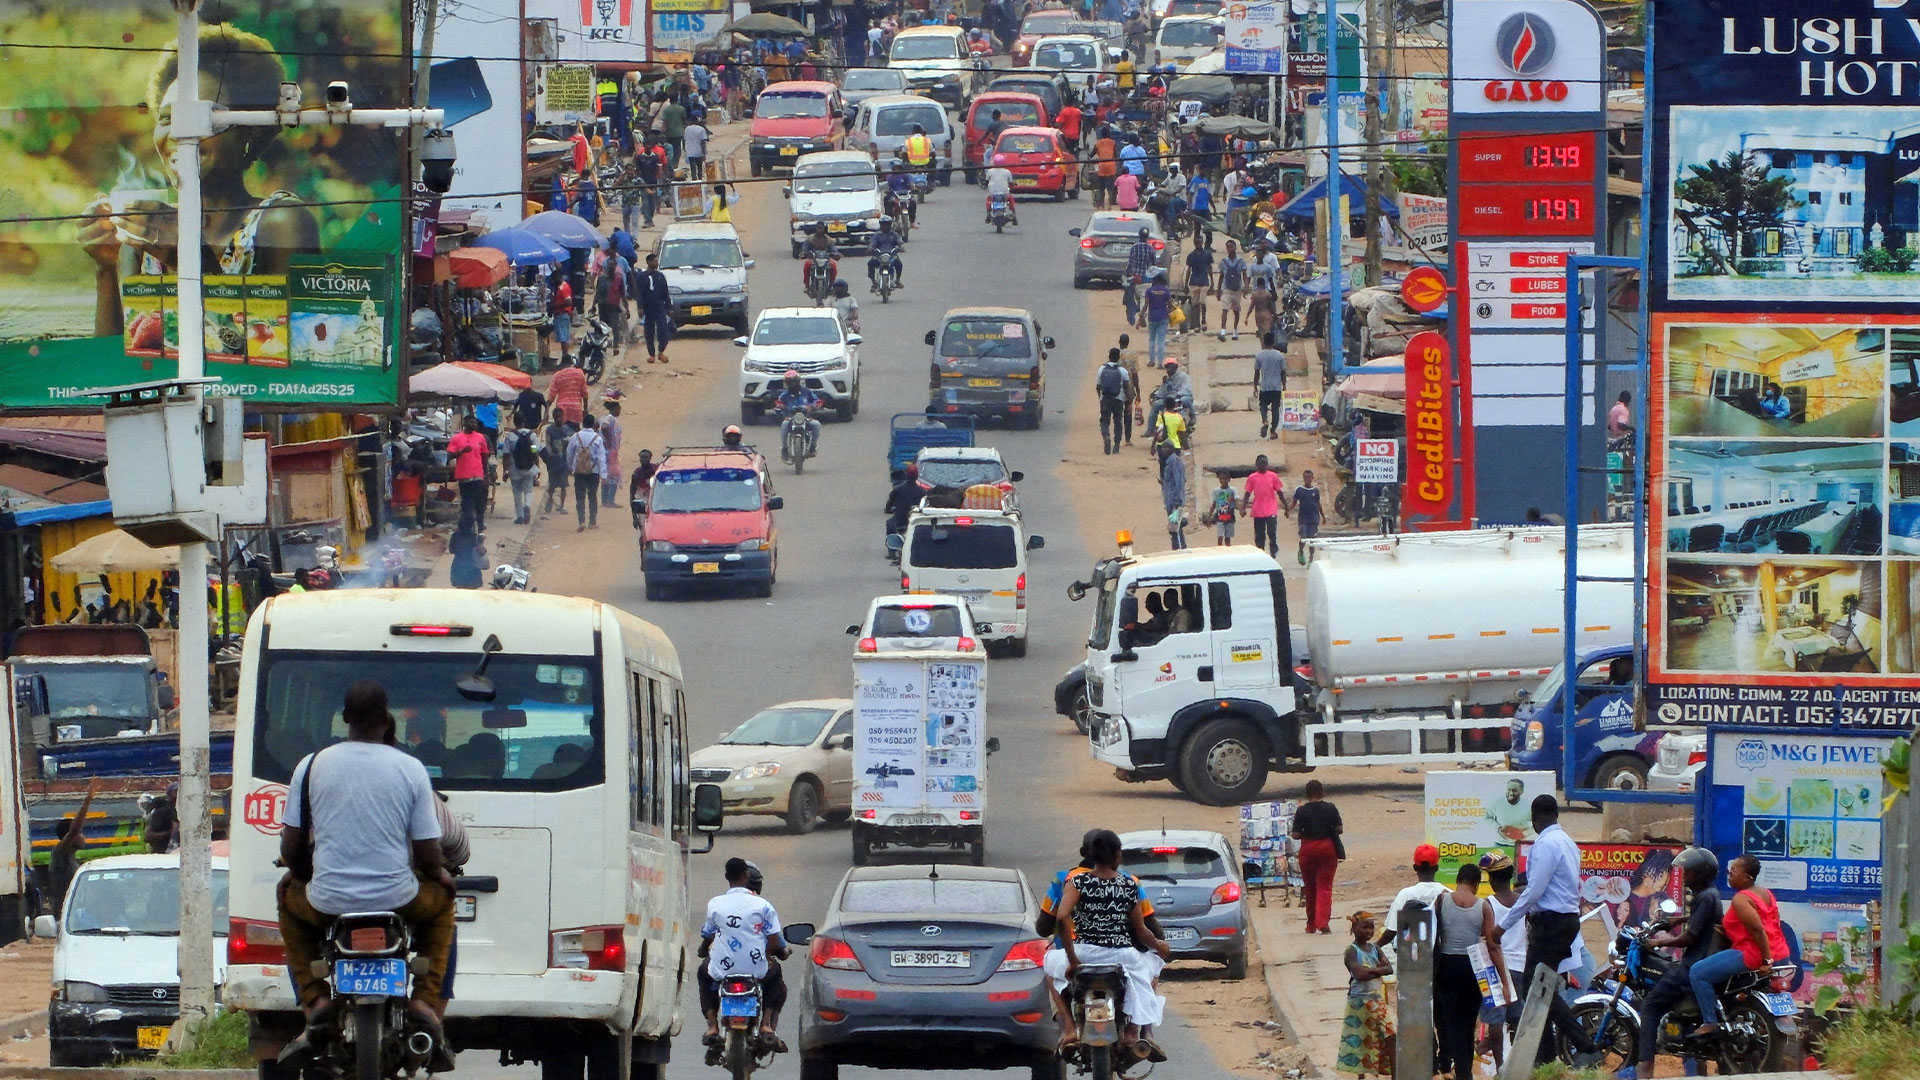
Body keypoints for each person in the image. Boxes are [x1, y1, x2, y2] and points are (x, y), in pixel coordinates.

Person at [277, 681, 455, 1065]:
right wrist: (440, 876)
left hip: (327, 902)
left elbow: (290, 849)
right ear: (386, 719)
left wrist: (303, 877)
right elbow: (427, 852)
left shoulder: (310, 767)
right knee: (442, 909)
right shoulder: (409, 768)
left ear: (345, 720)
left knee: (288, 904)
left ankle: (315, 999)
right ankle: (424, 1002)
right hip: (400, 900)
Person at [1491, 795, 1604, 1066]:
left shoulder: (1545, 845)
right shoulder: (1567, 842)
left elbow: (1534, 891)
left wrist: (1503, 927)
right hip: (1564, 922)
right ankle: (1546, 1053)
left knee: (1536, 989)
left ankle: (1584, 1045)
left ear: (1534, 816)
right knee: (1542, 987)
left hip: (1551, 924)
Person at [1047, 830, 1170, 1062]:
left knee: (1049, 971)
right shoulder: (1128, 885)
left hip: (1085, 954)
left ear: (1091, 855)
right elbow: (1142, 932)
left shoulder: (1077, 882)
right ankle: (1134, 1032)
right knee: (1150, 970)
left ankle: (1070, 1029)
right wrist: (1159, 945)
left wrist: (1073, 961)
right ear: (1117, 855)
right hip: (1122, 956)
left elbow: (1062, 916)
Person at [1618, 848, 1723, 1080]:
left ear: (1702, 873)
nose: (1684, 876)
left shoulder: (1704, 897)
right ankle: (1697, 1070)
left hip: (1693, 964)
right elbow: (1700, 921)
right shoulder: (1710, 894)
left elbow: (1690, 938)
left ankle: (1644, 1068)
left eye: (1689, 872)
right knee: (1682, 1011)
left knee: (1651, 1005)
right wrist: (1676, 920)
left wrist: (1655, 943)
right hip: (1702, 961)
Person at [1689, 853, 1789, 1038]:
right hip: (1781, 951)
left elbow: (1757, 929)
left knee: (1697, 972)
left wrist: (1767, 959)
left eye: (1733, 872)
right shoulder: (1765, 893)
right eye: (1729, 872)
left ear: (1747, 877)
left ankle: (1710, 1022)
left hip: (1753, 954)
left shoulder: (1741, 899)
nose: (1729, 876)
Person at [698, 857, 790, 1053]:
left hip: (722, 969)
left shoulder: (715, 904)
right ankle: (765, 1024)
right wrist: (767, 954)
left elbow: (707, 934)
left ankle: (712, 1026)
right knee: (776, 974)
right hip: (756, 969)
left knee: (703, 973)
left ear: (726, 877)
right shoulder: (763, 905)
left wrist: (704, 949)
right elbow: (775, 941)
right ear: (746, 876)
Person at [1436, 863, 1510, 1080]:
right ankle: (1464, 1071)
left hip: (1446, 968)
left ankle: (1457, 1069)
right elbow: (1493, 946)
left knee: (1452, 1021)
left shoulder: (1441, 900)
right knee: (1468, 1023)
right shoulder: (1483, 907)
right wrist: (1505, 983)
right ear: (1477, 884)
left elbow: (1430, 936)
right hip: (1472, 970)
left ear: (1458, 880)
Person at [1478, 851, 1528, 1061]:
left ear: (1491, 879)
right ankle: (1518, 1063)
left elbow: (1487, 940)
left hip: (1494, 968)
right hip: (1521, 965)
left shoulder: (1487, 904)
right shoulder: (1523, 901)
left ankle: (1500, 1065)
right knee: (1518, 1019)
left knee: (1495, 1020)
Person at [1337, 911, 1393, 1078]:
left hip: (1376, 1001)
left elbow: (1389, 969)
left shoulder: (1375, 948)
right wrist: (1378, 969)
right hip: (1359, 1002)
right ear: (1354, 928)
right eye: (1365, 927)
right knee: (1359, 1040)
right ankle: (1361, 1075)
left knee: (1390, 1037)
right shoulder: (1351, 951)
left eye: (1371, 928)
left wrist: (1370, 970)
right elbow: (1359, 975)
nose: (1369, 932)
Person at [1291, 779, 1342, 933]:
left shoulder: (1301, 811)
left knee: (1310, 887)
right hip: (1327, 848)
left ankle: (1311, 924)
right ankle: (1322, 922)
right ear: (1322, 792)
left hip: (1307, 849)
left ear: (1307, 794)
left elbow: (1295, 834)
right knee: (1324, 886)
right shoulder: (1331, 808)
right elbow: (1339, 829)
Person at [1379, 843, 1449, 948]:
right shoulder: (1449, 894)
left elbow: (1391, 931)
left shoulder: (1405, 895)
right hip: (1442, 955)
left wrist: (1374, 948)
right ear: (1437, 868)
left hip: (1412, 958)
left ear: (1415, 867)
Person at [48, 780, 102, 914]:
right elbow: (74, 830)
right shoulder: (60, 853)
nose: (83, 837)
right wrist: (88, 800)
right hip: (64, 914)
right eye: (80, 833)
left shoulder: (70, 858)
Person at [447, 416, 491, 534]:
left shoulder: (480, 437)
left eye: (475, 422)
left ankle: (480, 526)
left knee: (479, 502)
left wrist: (486, 475)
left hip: (477, 475)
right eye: (472, 421)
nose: (474, 424)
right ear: (465, 423)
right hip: (464, 476)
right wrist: (461, 452)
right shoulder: (457, 438)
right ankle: (468, 528)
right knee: (466, 504)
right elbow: (450, 455)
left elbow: (485, 456)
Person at [564, 414, 606, 531]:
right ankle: (592, 521)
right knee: (592, 496)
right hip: (594, 471)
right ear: (593, 424)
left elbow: (569, 453)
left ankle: (581, 521)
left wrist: (570, 467)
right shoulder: (597, 438)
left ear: (582, 423)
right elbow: (601, 458)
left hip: (579, 471)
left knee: (580, 496)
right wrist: (603, 474)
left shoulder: (575, 436)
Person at [1241, 454, 1286, 558]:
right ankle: (1260, 552)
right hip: (1258, 510)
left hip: (1271, 508)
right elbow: (1247, 493)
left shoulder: (1273, 476)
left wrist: (1286, 506)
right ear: (1256, 464)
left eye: (1265, 463)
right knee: (1259, 534)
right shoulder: (1252, 477)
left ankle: (1273, 549)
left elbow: (1279, 491)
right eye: (1261, 463)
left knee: (1271, 531)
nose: (1263, 465)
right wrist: (1243, 508)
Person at [499, 424, 542, 525]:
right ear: (524, 422)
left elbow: (506, 454)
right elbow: (535, 452)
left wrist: (505, 471)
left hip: (514, 467)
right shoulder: (532, 435)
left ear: (515, 421)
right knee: (528, 490)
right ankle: (527, 505)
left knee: (517, 492)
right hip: (529, 467)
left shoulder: (510, 436)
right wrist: (537, 467)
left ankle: (520, 516)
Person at [774, 372, 823, 460]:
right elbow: (778, 405)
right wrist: (783, 413)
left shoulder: (807, 392)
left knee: (817, 425)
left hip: (806, 418)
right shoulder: (784, 395)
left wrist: (812, 407)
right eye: (789, 382)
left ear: (798, 381)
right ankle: (784, 448)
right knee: (784, 425)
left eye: (794, 381)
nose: (792, 384)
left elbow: (818, 401)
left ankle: (813, 447)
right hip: (791, 418)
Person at [635, 252, 674, 363]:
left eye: (657, 261)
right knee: (649, 331)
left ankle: (661, 352)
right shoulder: (642, 277)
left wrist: (669, 307)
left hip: (660, 307)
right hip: (648, 308)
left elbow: (665, 293)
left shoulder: (660, 276)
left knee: (664, 330)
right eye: (655, 261)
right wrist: (640, 307)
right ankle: (651, 354)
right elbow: (639, 293)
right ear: (649, 262)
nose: (657, 263)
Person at [541, 407, 575, 515]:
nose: (559, 419)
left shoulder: (567, 429)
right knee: (552, 484)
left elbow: (571, 443)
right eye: (557, 417)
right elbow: (547, 443)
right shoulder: (550, 430)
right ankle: (550, 499)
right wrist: (550, 454)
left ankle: (562, 505)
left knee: (564, 485)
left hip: (564, 460)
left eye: (560, 416)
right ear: (554, 418)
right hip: (553, 461)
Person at [1254, 331, 1287, 439]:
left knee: (1263, 405)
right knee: (1275, 409)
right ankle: (1273, 431)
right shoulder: (1280, 356)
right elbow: (1283, 372)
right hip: (1276, 387)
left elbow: (1257, 372)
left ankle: (1264, 420)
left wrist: (1255, 386)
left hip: (1264, 386)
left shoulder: (1259, 355)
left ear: (1264, 342)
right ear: (1273, 342)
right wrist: (1284, 385)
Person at [1097, 349, 1130, 455]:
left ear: (1109, 356)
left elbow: (1098, 386)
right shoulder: (1123, 371)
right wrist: (1128, 401)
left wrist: (1100, 397)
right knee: (1118, 421)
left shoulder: (1102, 369)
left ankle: (1106, 436)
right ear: (1118, 357)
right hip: (1118, 399)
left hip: (1105, 398)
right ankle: (1116, 445)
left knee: (1104, 421)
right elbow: (1126, 387)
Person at [1125, 229, 1159, 328]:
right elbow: (1153, 264)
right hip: (1147, 278)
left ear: (1139, 235)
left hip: (1135, 277)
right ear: (1147, 236)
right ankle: (1142, 316)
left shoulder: (1134, 248)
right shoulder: (1151, 249)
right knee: (1145, 299)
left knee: (1137, 297)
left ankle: (1140, 314)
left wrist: (1127, 274)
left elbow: (1130, 263)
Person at [1217, 239, 1248, 340]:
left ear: (1235, 247)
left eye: (1231, 246)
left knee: (1236, 311)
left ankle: (1235, 331)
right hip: (1227, 289)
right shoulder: (1223, 262)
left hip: (1237, 289)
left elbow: (1244, 275)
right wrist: (1218, 290)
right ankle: (1223, 331)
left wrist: (1246, 286)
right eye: (1228, 247)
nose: (1230, 248)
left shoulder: (1241, 261)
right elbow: (1221, 276)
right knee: (1224, 310)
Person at [1291, 470, 1323, 565]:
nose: (1307, 479)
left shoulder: (1315, 491)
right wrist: (1288, 510)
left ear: (1312, 478)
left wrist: (1323, 515)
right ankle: (1300, 552)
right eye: (1305, 477)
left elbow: (1318, 503)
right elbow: (1294, 502)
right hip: (1303, 518)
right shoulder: (1299, 490)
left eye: (1309, 477)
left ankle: (1311, 559)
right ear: (1303, 478)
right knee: (1303, 538)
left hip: (1313, 517)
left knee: (1312, 539)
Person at [1143, 268, 1173, 367]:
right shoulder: (1166, 291)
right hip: (1163, 317)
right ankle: (1160, 362)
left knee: (1152, 339)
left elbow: (1146, 305)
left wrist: (1140, 317)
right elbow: (1170, 305)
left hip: (1152, 317)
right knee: (1161, 340)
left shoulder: (1149, 291)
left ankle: (1152, 360)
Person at [1159, 443, 1187, 550]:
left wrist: (1177, 500)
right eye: (1163, 448)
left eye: (1167, 448)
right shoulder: (1169, 461)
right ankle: (1177, 547)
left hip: (1175, 501)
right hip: (1170, 500)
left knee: (1176, 528)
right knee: (1174, 528)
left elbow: (1179, 481)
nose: (1164, 450)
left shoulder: (1175, 461)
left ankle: (1179, 548)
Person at [599, 397, 624, 508]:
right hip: (611, 452)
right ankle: (610, 500)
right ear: (614, 409)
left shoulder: (605, 418)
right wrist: (608, 440)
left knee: (606, 476)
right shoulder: (610, 419)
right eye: (618, 408)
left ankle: (605, 500)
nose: (619, 411)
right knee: (614, 476)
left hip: (608, 451)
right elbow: (604, 428)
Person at [868, 217, 905, 290]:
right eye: (883, 224)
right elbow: (872, 244)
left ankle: (897, 280)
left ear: (890, 225)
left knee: (899, 264)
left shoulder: (894, 234)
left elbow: (900, 242)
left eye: (887, 224)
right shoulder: (877, 235)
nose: (885, 226)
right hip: (879, 256)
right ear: (880, 225)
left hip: (892, 255)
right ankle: (874, 283)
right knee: (870, 263)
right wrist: (870, 249)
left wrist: (901, 247)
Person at [885, 464, 924, 535]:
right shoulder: (922, 492)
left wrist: (888, 509)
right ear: (917, 476)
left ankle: (892, 543)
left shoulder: (898, 489)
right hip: (915, 522)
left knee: (890, 524)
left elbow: (890, 501)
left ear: (906, 475)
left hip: (900, 523)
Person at [549, 357, 588, 425]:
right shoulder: (580, 373)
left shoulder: (557, 375)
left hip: (561, 410)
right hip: (576, 408)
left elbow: (551, 396)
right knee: (575, 430)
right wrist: (585, 409)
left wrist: (546, 413)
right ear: (571, 363)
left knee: (562, 432)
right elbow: (585, 395)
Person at [1208, 471, 1239, 546]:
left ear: (1229, 480)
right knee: (1220, 537)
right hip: (1220, 517)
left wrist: (1239, 507)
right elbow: (1214, 504)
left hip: (1230, 517)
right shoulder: (1216, 491)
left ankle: (1227, 552)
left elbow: (1236, 501)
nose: (1222, 481)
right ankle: (1220, 551)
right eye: (1221, 479)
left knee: (1228, 538)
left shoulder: (1233, 490)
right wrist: (1209, 516)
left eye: (1225, 479)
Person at [1091, 128, 1119, 210]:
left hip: (1102, 166)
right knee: (1110, 188)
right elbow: (1115, 154)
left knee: (1101, 188)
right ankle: (1109, 205)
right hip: (1111, 166)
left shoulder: (1098, 143)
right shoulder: (1113, 143)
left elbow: (1092, 154)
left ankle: (1101, 205)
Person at [628, 448, 658, 518]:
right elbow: (632, 494)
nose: (644, 459)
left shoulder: (656, 470)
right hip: (642, 504)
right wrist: (634, 517)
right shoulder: (637, 474)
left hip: (655, 503)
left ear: (650, 458)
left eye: (646, 457)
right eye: (642, 457)